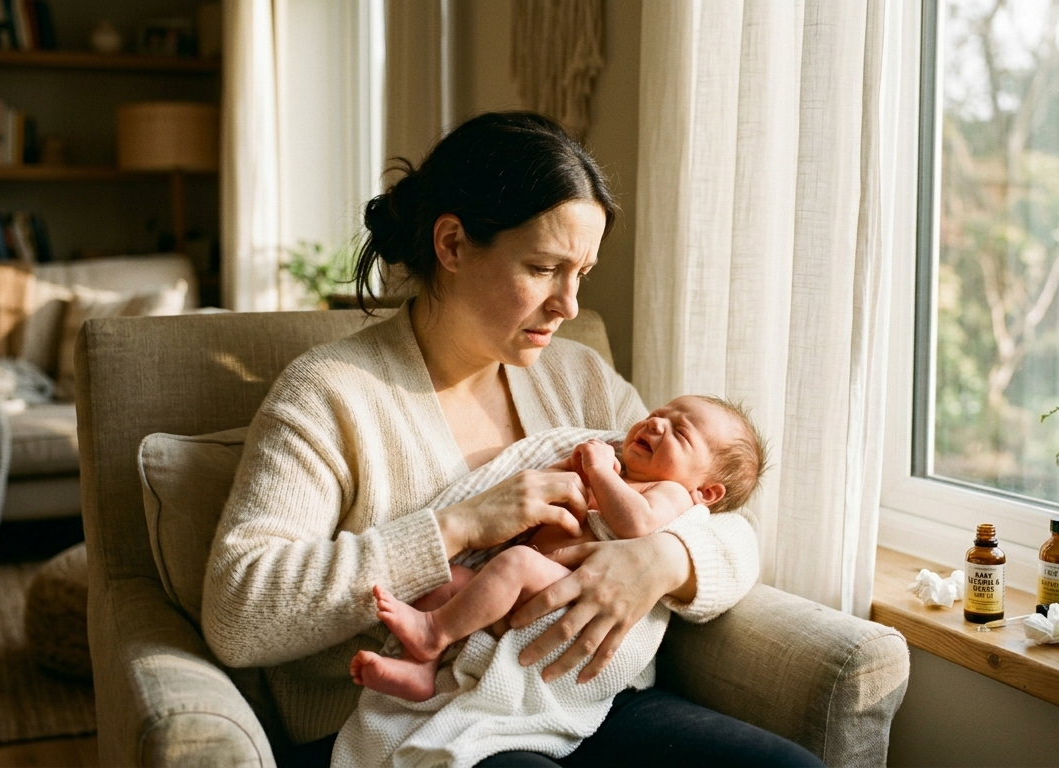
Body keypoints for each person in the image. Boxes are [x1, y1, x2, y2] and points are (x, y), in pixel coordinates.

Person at [201, 111, 822, 767]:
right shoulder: (332, 394)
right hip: (417, 709)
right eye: (545, 267)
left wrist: (664, 560)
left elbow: (724, 517)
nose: (569, 305)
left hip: (578, 697)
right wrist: (460, 526)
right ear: (453, 245)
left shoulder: (578, 376)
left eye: (580, 271)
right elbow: (239, 612)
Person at [351, 395, 766, 702]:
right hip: (517, 590)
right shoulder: (614, 471)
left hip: (566, 595)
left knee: (516, 563)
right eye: (659, 415)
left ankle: (433, 633)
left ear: (706, 491)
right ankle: (422, 667)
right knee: (448, 579)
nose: (656, 425)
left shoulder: (670, 493)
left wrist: (600, 472)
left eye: (679, 432)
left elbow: (636, 524)